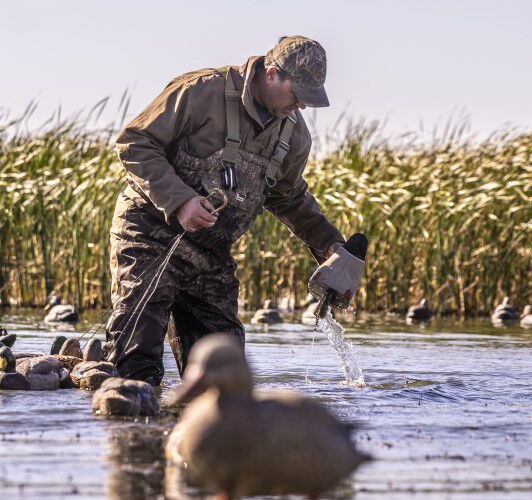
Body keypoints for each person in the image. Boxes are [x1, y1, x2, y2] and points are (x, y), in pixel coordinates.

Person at [104, 36, 363, 386]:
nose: (303, 105)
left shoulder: (295, 135)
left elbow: (289, 198)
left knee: (225, 383)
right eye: (298, 93)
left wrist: (331, 247)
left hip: (210, 254)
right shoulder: (201, 91)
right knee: (136, 371)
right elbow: (135, 142)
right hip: (148, 234)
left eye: (309, 97)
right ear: (272, 73)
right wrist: (181, 201)